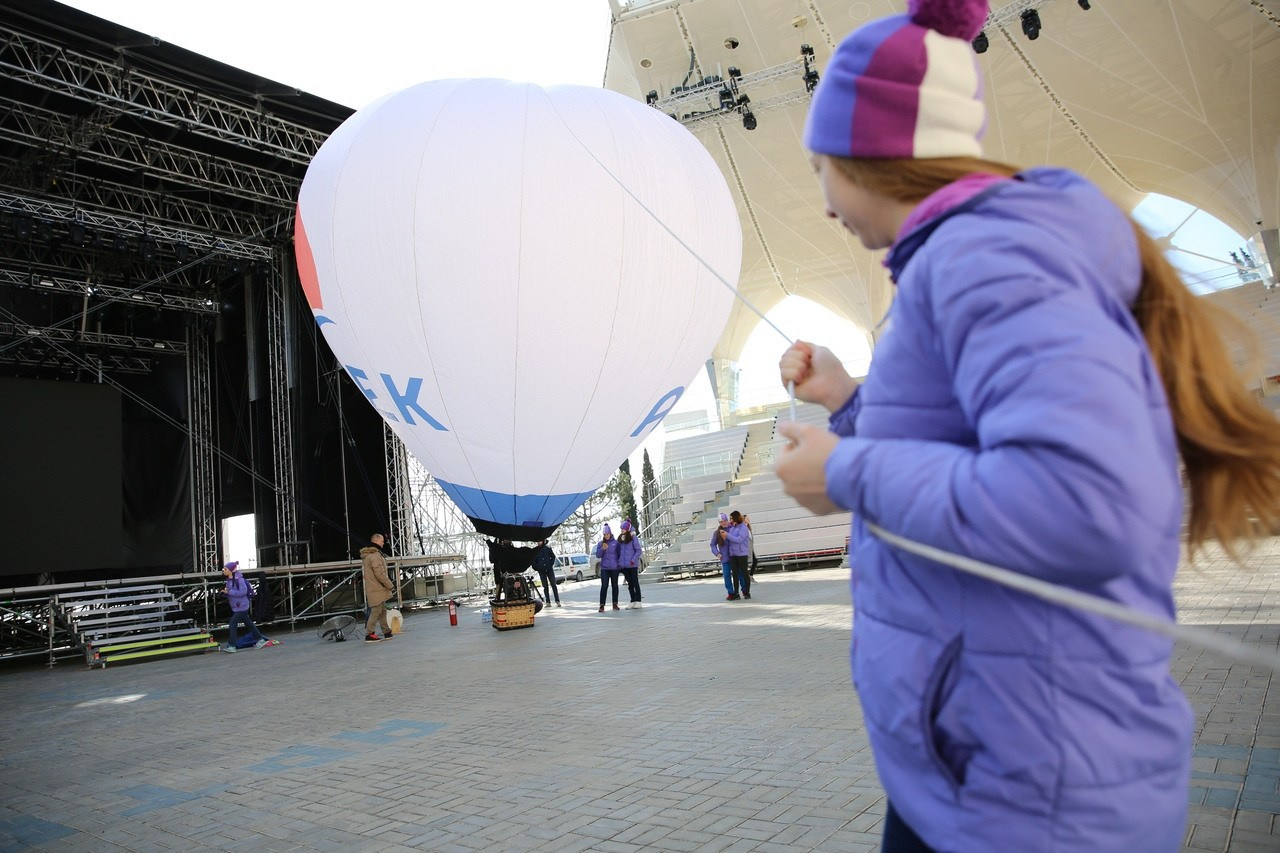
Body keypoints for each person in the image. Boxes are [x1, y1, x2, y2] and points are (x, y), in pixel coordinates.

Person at [774, 1, 1280, 850]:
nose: (823, 205)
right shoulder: (961, 261)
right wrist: (846, 405)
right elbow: (966, 448)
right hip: (981, 768)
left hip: (1031, 795)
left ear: (870, 159)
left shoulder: (984, 257)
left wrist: (844, 471)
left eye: (821, 168)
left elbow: (1082, 500)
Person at [221, 561, 267, 652]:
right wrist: (225, 593)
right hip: (237, 606)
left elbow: (243, 592)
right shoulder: (229, 581)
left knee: (233, 624)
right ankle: (260, 639)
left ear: (231, 570)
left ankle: (232, 645)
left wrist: (229, 592)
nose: (223, 571)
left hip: (241, 606)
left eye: (225, 569)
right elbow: (232, 592)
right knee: (249, 623)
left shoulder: (239, 580)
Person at [361, 533, 394, 643]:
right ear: (376, 541)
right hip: (377, 588)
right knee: (376, 611)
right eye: (382, 541)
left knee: (382, 610)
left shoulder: (370, 555)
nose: (383, 543)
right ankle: (369, 634)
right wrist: (389, 584)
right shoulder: (375, 556)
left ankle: (386, 632)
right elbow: (380, 573)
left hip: (374, 588)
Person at [616, 519, 643, 609]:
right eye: (621, 529)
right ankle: (632, 600)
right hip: (624, 566)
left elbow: (638, 550)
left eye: (623, 529)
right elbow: (619, 552)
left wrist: (633, 560)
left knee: (635, 582)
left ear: (627, 529)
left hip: (632, 565)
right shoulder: (620, 539)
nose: (622, 530)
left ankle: (638, 601)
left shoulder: (633, 538)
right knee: (630, 584)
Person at [595, 523, 622, 612]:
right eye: (604, 535)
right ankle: (602, 605)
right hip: (605, 568)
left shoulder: (616, 543)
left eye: (607, 534)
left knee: (615, 586)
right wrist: (603, 549)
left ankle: (615, 603)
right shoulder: (601, 544)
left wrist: (619, 564)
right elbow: (598, 555)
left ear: (610, 534)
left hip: (614, 568)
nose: (606, 536)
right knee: (604, 586)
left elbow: (619, 554)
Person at [726, 511, 752, 600]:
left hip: (742, 554)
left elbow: (739, 539)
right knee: (735, 574)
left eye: (732, 518)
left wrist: (727, 535)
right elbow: (730, 540)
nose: (730, 520)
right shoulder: (732, 528)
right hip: (733, 554)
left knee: (744, 573)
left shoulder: (743, 528)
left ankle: (747, 592)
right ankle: (736, 593)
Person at [710, 513, 736, 599]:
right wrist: (717, 553)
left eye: (725, 521)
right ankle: (731, 593)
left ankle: (743, 590)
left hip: (735, 556)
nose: (723, 523)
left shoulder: (733, 529)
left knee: (739, 575)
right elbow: (712, 545)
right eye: (721, 522)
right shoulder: (717, 533)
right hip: (724, 558)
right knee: (727, 576)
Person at [531, 539, 561, 606]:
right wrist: (537, 567)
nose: (539, 542)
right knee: (545, 586)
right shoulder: (535, 550)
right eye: (538, 541)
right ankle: (548, 602)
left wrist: (550, 564)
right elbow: (533, 561)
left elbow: (553, 556)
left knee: (553, 585)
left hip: (549, 569)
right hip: (541, 571)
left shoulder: (547, 548)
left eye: (540, 541)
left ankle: (557, 600)